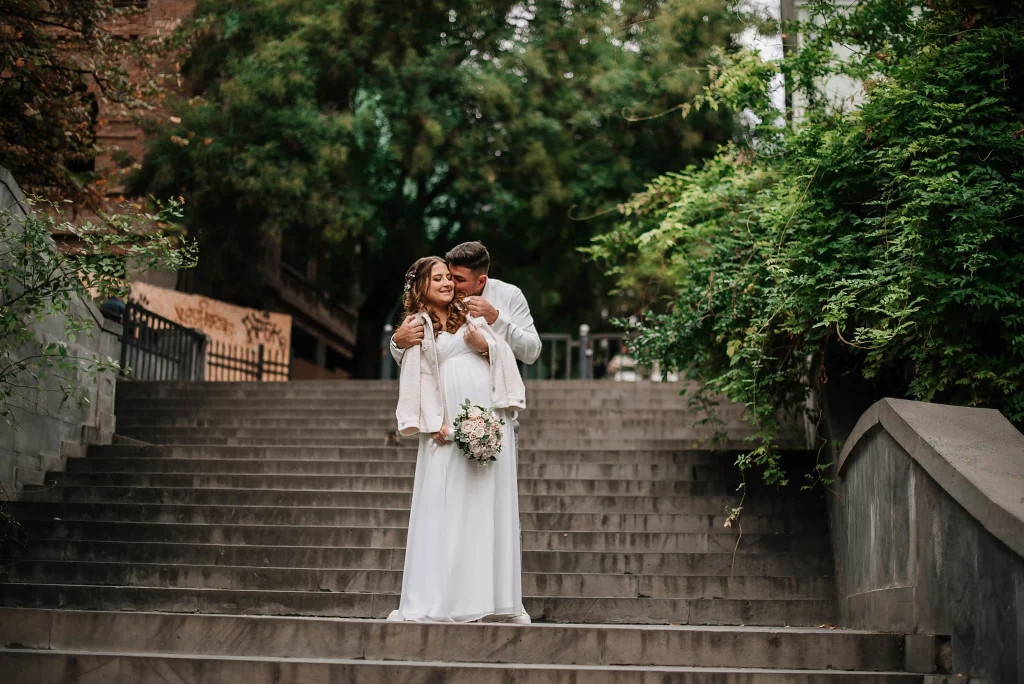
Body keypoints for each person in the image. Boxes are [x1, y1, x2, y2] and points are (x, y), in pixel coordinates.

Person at [388, 256, 530, 624]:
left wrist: (486, 345)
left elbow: (507, 352)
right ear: (422, 287)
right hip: (446, 427)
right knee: (446, 507)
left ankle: (492, 599)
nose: (448, 284)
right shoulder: (416, 325)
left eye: (449, 278)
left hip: (486, 421)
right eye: (438, 279)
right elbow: (414, 372)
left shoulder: (469, 314)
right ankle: (442, 597)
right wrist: (432, 419)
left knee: (483, 508)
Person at [391, 241, 541, 366]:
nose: (450, 284)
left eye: (459, 279)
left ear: (481, 281)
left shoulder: (509, 295)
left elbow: (532, 352)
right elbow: (416, 356)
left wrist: (495, 318)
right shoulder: (439, 301)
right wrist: (397, 342)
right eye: (449, 276)